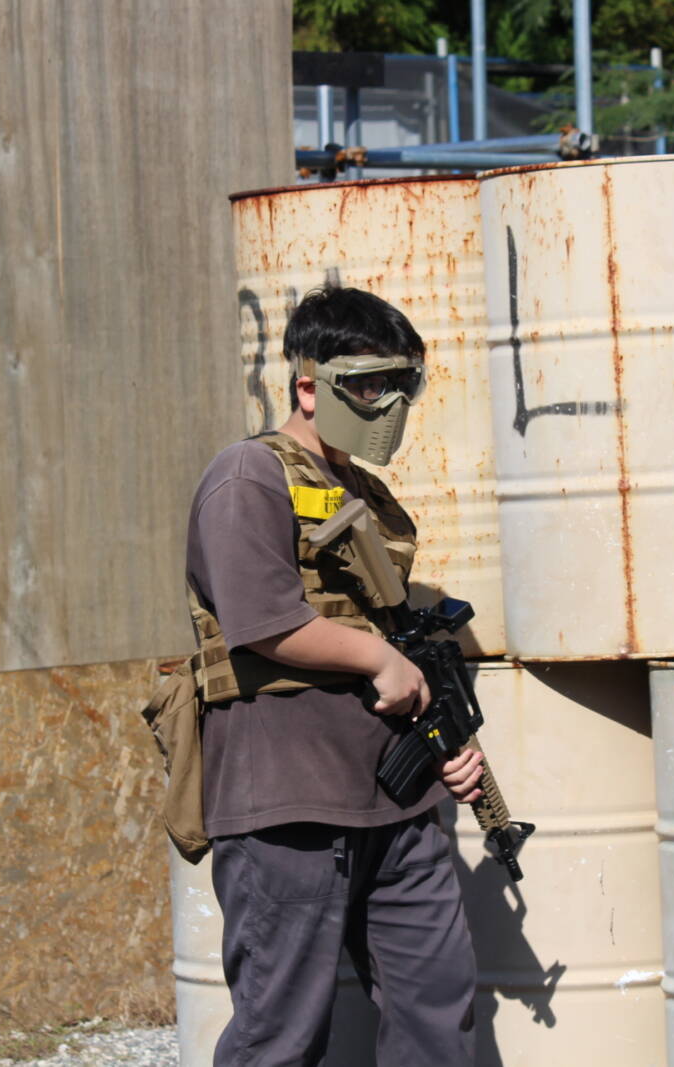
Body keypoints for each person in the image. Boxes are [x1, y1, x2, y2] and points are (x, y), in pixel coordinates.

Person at [184, 285, 482, 1066]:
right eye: (371, 383)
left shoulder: (368, 496)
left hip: (397, 800)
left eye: (404, 383)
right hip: (289, 800)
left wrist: (450, 740)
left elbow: (400, 637)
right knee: (280, 1033)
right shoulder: (249, 475)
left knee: (438, 1010)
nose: (391, 402)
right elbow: (263, 619)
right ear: (309, 386)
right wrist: (380, 658)